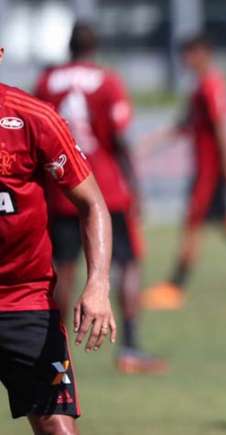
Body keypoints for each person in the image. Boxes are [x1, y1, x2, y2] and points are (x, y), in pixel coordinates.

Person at [35, 22, 166, 374]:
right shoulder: (107, 81)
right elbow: (120, 138)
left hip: (60, 187)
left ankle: (56, 350)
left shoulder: (46, 82)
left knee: (63, 268)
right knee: (128, 264)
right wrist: (134, 184)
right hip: (104, 188)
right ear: (95, 47)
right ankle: (130, 348)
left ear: (69, 46)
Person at [0, 46, 116, 434]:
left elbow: (93, 204)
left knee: (56, 428)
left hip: (25, 304)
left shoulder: (33, 117)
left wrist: (97, 285)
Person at [141, 35, 226, 309]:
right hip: (207, 169)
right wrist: (146, 146)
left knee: (193, 224)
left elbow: (223, 126)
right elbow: (182, 125)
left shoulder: (211, 85)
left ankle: (175, 286)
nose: (184, 60)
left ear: (202, 54)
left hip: (209, 172)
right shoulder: (201, 86)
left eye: (188, 54)